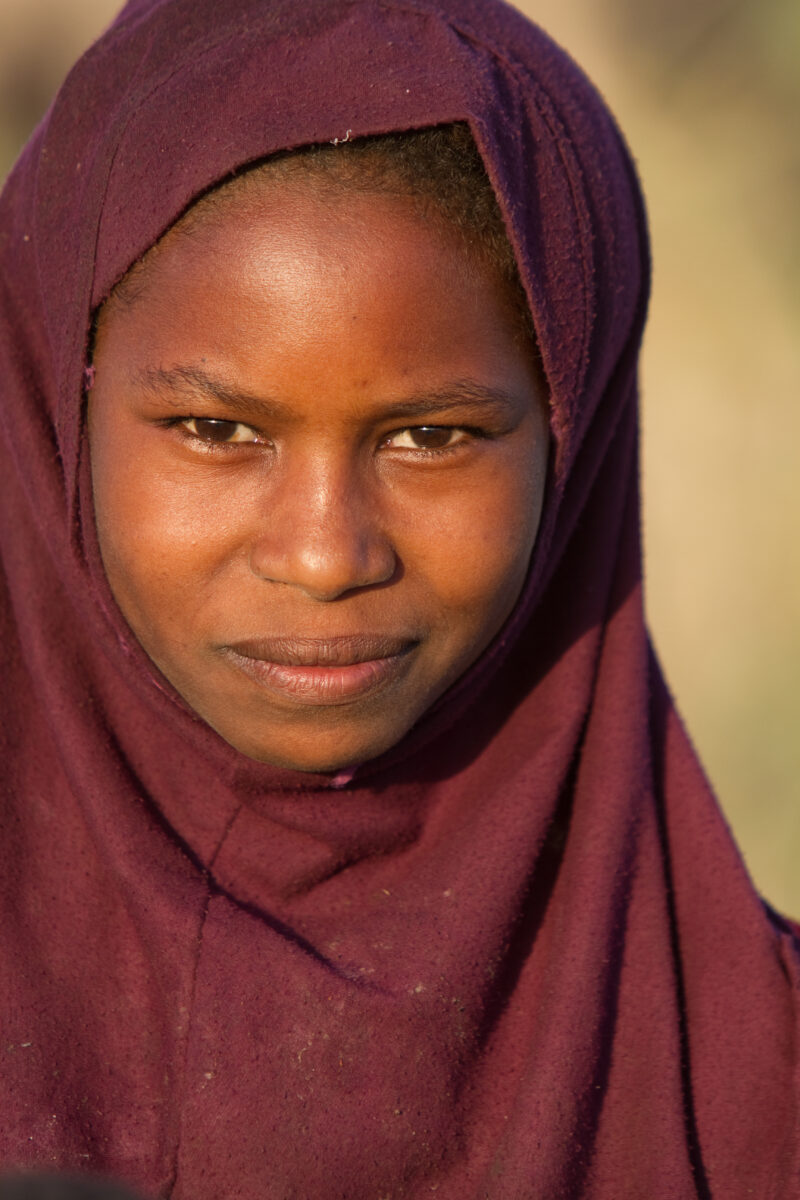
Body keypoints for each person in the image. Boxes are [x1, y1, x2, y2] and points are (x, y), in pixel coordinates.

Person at [0, 0, 797, 1197]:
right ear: (56, 408)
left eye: (431, 436)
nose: (324, 557)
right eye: (214, 430)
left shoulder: (760, 1096)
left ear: (571, 451)